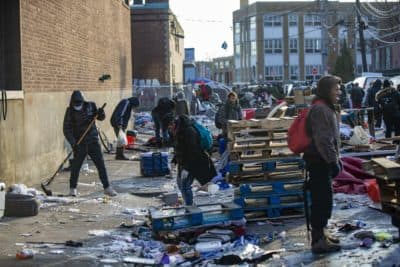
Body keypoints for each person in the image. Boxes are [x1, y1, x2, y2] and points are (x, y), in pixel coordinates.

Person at [303, 75, 342, 253]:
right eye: (336, 89)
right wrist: (333, 161)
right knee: (322, 201)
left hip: (320, 160)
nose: (339, 92)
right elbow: (323, 140)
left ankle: (322, 234)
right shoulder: (321, 109)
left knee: (324, 199)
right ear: (327, 90)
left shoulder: (325, 107)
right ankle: (318, 240)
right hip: (319, 161)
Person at [63, 90, 117, 197]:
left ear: (83, 101)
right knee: (76, 166)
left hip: (93, 141)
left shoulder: (91, 106)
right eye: (75, 103)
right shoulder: (70, 111)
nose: (77, 105)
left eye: (79, 103)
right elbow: (66, 129)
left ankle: (107, 187)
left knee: (101, 165)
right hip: (79, 143)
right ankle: (72, 189)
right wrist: (74, 143)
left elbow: (101, 118)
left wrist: (101, 113)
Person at [173, 115, 217, 205]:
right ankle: (188, 204)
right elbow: (181, 149)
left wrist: (186, 168)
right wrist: (174, 160)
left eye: (171, 125)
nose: (170, 128)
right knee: (180, 183)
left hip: (194, 163)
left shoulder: (189, 132)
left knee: (185, 185)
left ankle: (189, 206)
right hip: (186, 163)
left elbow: (193, 152)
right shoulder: (180, 131)